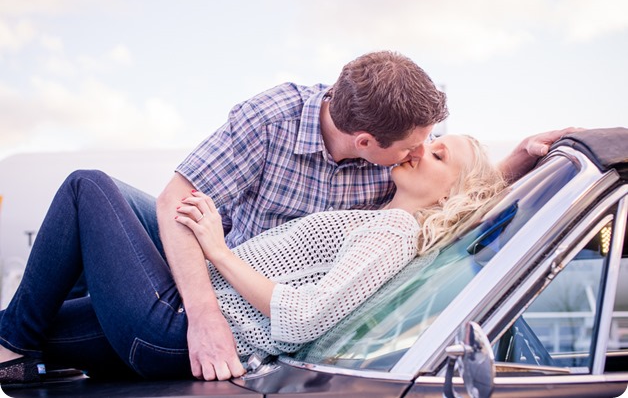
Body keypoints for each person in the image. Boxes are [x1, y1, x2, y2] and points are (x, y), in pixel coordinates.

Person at [142, 50, 579, 380]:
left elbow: (458, 193)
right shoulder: (273, 120)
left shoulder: (398, 196)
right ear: (367, 142)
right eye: (413, 147)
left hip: (249, 321)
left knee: (89, 192)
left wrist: (520, 158)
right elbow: (172, 203)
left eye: (429, 146)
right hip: (213, 297)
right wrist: (204, 316)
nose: (418, 151)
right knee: (121, 210)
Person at [0, 134, 506, 385]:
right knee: (39, 317)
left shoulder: (394, 232)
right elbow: (473, 186)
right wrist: (520, 155)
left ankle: (11, 346)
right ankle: (21, 351)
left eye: (439, 156)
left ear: (453, 195)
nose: (421, 149)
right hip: (175, 327)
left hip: (180, 332)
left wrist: (216, 248)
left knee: (88, 188)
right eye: (432, 142)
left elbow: (305, 315)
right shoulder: (383, 217)